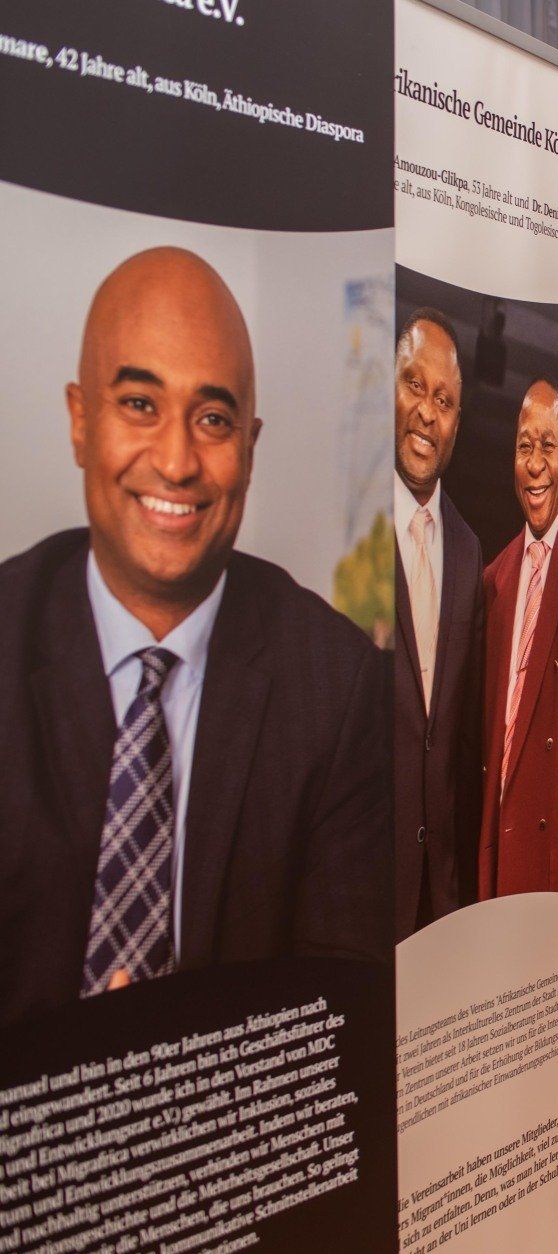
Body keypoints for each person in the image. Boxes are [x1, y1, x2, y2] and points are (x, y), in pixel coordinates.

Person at [0, 246, 387, 1026]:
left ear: (250, 445)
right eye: (139, 404)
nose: (177, 462)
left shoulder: (340, 688)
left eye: (213, 419)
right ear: (81, 421)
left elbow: (342, 1019)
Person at [478, 379, 558, 898]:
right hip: (501, 856)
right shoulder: (495, 578)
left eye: (547, 446)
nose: (534, 465)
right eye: (523, 447)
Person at [393, 307, 484, 940]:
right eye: (414, 385)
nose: (427, 412)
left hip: (444, 891)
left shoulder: (471, 551)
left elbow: (462, 736)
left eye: (445, 400)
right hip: (366, 883)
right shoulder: (350, 527)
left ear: (457, 423)